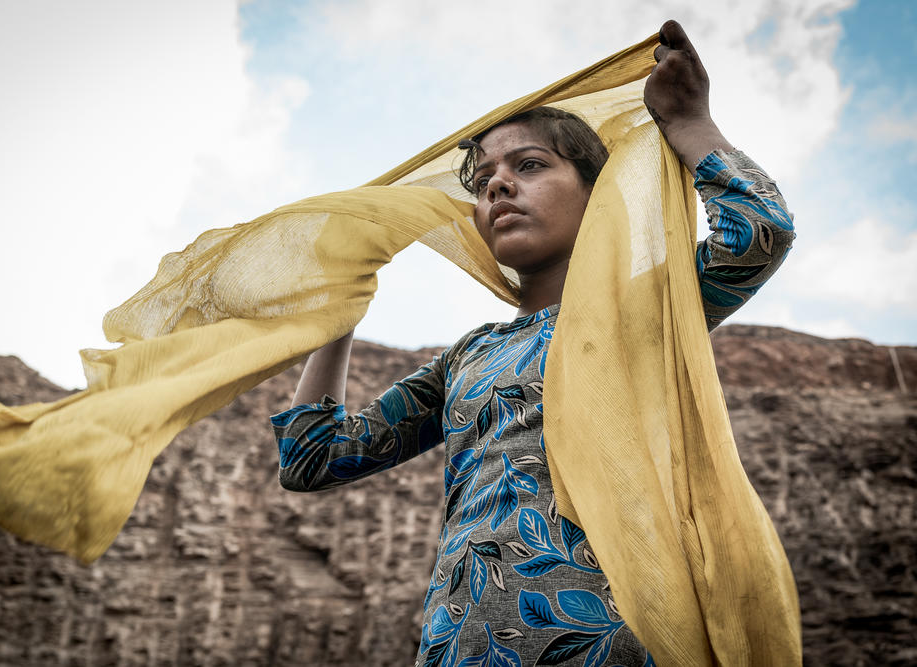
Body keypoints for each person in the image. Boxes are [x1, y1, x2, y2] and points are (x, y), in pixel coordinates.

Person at [271, 21, 794, 667]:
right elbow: (313, 458)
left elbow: (758, 231)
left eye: (530, 164)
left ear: (597, 194)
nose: (497, 185)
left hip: (611, 640)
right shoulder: (469, 356)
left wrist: (688, 120)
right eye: (484, 177)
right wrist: (338, 313)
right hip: (460, 647)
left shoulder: (646, 308)